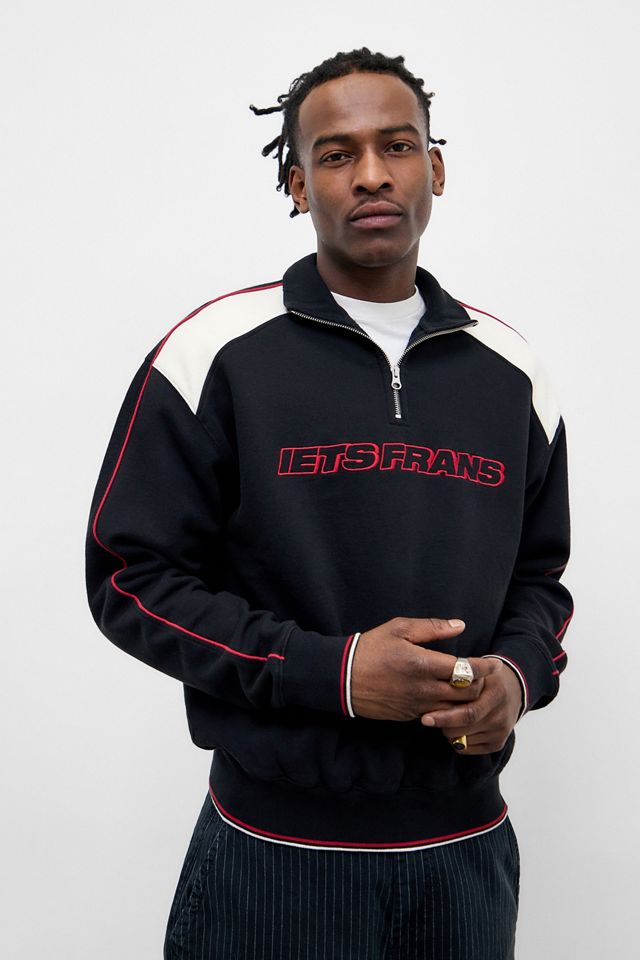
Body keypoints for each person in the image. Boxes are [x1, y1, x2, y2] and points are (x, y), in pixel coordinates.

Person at [86, 48, 572, 960]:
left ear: (436, 168)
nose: (373, 174)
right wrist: (333, 673)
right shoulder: (214, 354)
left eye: (398, 145)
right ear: (298, 185)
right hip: (273, 852)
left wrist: (515, 677)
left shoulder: (512, 372)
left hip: (466, 854)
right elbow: (130, 578)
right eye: (337, 154)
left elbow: (541, 579)